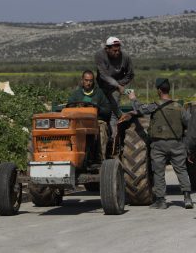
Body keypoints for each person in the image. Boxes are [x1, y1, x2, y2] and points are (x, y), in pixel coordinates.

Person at [127, 78, 193, 209]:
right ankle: (187, 198)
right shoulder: (179, 107)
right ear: (168, 89)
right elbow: (189, 123)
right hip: (177, 144)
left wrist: (133, 98)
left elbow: (139, 110)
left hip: (158, 145)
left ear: (158, 90)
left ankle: (161, 201)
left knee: (158, 172)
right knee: (181, 170)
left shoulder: (154, 106)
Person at [95, 36, 134, 138]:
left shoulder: (125, 57)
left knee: (114, 110)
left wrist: (120, 84)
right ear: (107, 49)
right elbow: (103, 74)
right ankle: (99, 131)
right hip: (101, 85)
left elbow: (130, 74)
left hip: (115, 88)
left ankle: (113, 136)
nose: (117, 52)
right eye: (114, 50)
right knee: (98, 108)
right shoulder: (100, 55)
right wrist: (117, 84)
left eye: (118, 50)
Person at [68, 70, 111, 160]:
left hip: (96, 121)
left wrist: (98, 108)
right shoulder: (76, 94)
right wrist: (77, 107)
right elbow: (68, 107)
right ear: (82, 80)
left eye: (90, 81)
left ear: (93, 81)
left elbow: (107, 110)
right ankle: (71, 155)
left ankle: (100, 157)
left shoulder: (99, 94)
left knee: (101, 129)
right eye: (86, 80)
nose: (88, 83)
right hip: (79, 122)